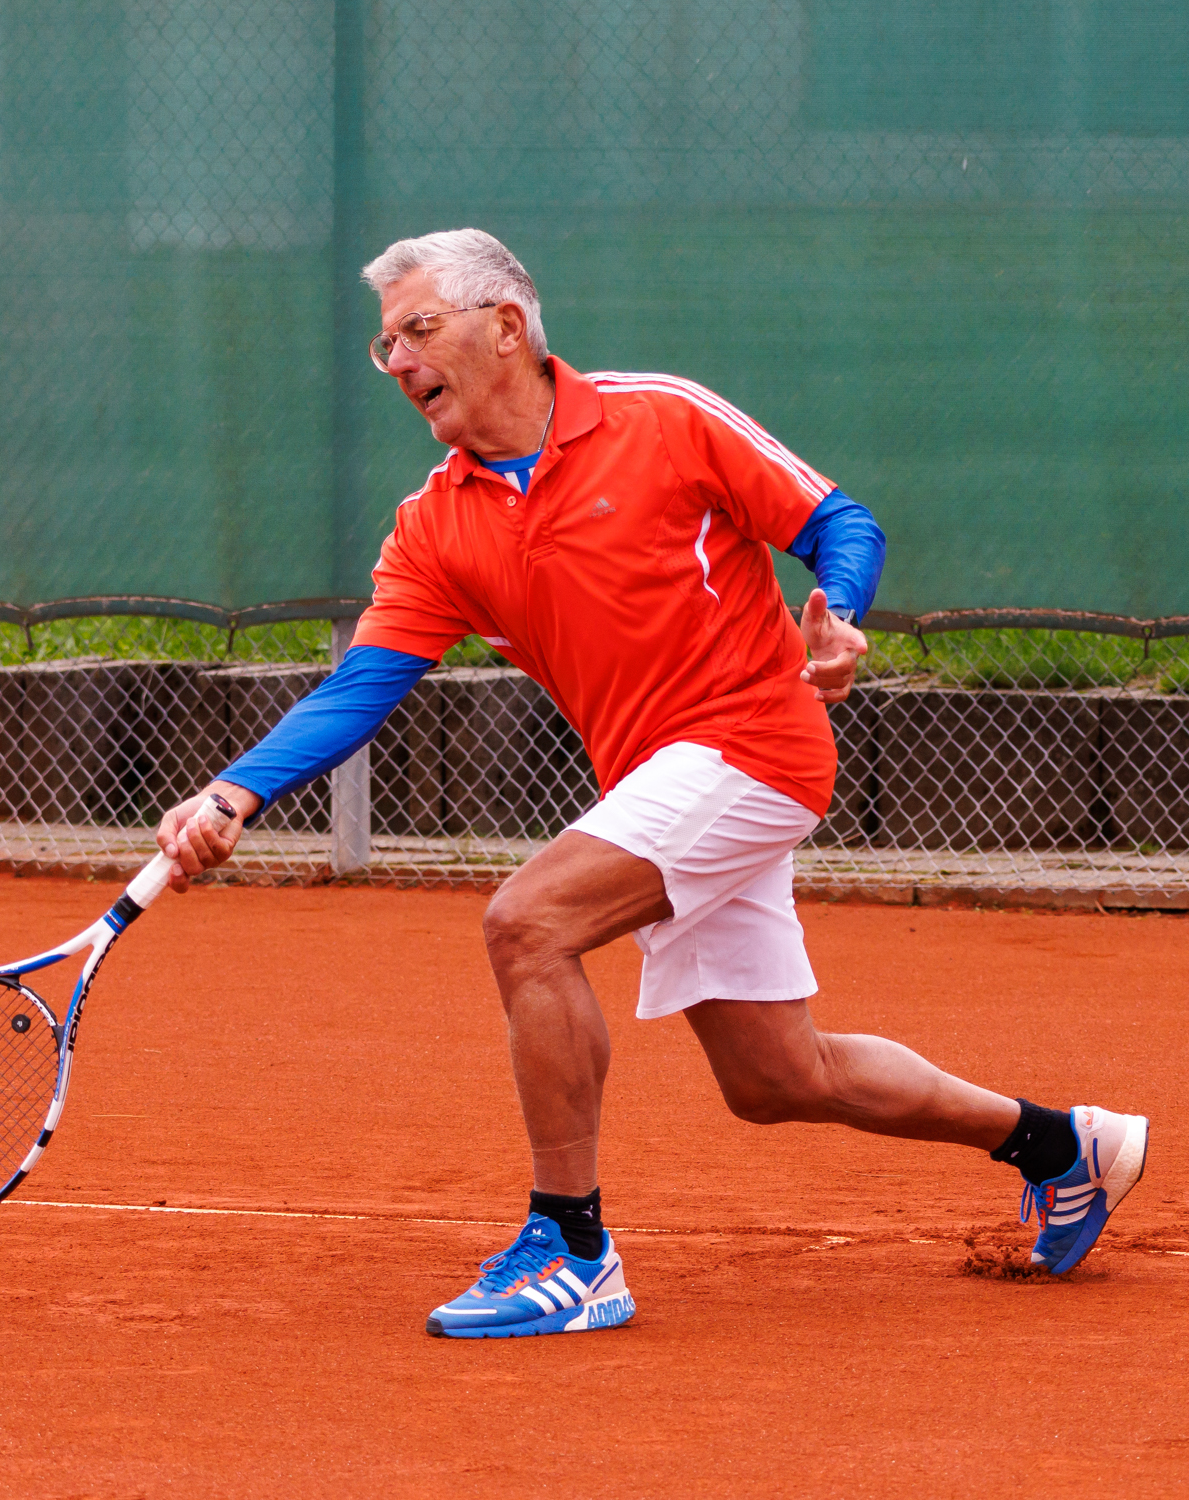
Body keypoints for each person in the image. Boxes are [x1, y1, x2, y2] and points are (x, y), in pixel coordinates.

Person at [155, 228, 1149, 1339]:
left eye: (419, 329)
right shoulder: (436, 526)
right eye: (386, 343)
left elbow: (836, 521)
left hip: (753, 742)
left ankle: (572, 1248)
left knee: (529, 924)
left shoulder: (661, 419)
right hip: (661, 783)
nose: (399, 360)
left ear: (508, 327)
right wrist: (234, 791)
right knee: (777, 1079)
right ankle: (1063, 1146)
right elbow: (360, 688)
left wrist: (842, 617)